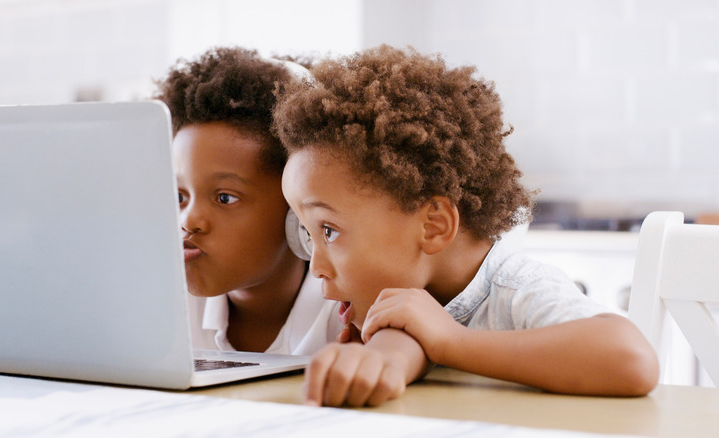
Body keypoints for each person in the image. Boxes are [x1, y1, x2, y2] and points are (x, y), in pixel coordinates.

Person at [272, 45, 660, 406]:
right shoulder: (411, 298)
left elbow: (632, 360)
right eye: (308, 233)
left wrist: (452, 341)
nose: (316, 266)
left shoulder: (515, 291)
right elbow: (407, 345)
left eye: (329, 230)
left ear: (434, 226)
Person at [153, 47, 342, 355]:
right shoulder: (162, 303)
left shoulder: (348, 311)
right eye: (180, 197)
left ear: (297, 213)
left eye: (224, 198)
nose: (188, 221)